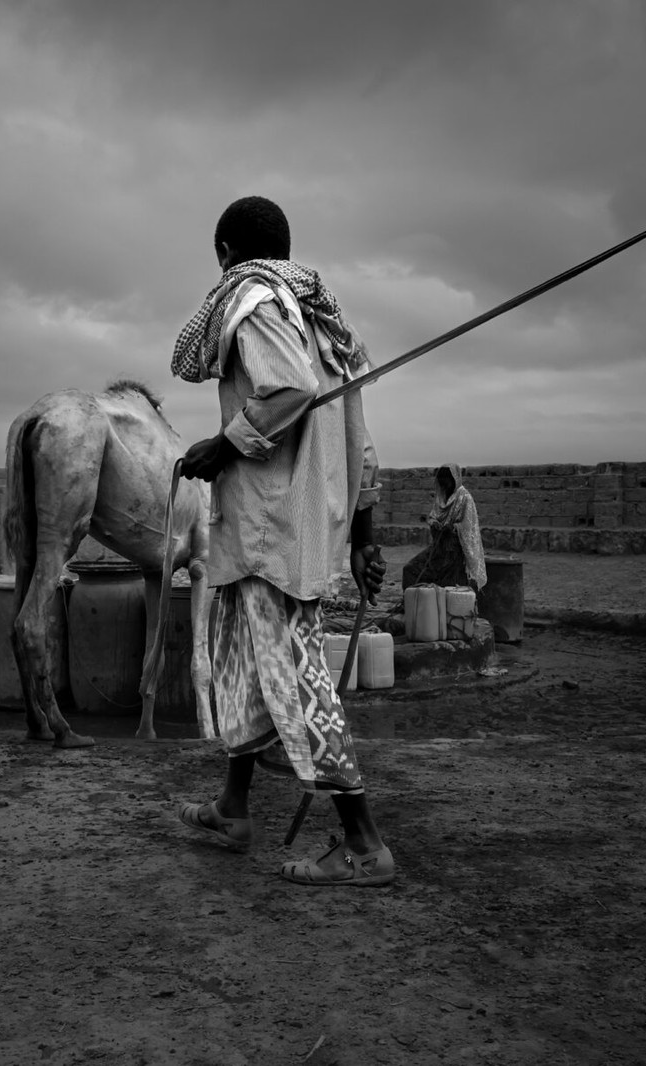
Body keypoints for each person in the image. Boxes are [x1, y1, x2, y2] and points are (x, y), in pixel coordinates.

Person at [170, 195, 395, 887]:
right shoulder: (325, 321)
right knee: (250, 667)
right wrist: (363, 534)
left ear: (226, 253)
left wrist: (223, 444)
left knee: (296, 677)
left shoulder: (255, 299)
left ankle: (363, 844)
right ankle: (233, 810)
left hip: (270, 528)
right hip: (292, 529)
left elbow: (289, 387)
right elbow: (361, 446)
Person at [401, 463, 486, 590]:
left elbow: (469, 526)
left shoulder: (465, 498)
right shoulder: (441, 497)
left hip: (455, 551)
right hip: (438, 548)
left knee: (447, 585)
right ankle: (411, 602)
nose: (443, 485)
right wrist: (434, 523)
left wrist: (452, 528)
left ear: (454, 479)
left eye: (446, 481)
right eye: (441, 481)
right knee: (410, 569)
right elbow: (433, 516)